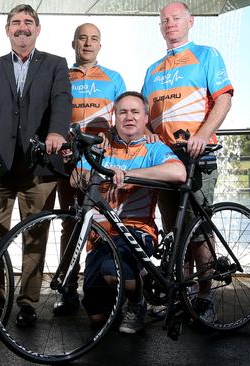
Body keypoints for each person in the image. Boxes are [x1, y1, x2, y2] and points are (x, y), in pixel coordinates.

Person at [0, 4, 72, 327]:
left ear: (37, 29)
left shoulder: (55, 64)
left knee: (36, 237)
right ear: (7, 30)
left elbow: (62, 101)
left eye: (28, 22)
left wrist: (57, 131)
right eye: (16, 23)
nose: (22, 27)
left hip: (40, 168)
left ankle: (27, 303)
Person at [141, 1, 233, 321]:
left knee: (198, 232)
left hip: (197, 155)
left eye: (176, 18)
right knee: (174, 234)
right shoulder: (152, 70)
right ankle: (182, 295)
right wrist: (148, 133)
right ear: (160, 27)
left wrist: (203, 134)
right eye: (165, 20)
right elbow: (145, 119)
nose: (170, 24)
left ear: (190, 22)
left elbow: (223, 98)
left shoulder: (206, 55)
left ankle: (205, 298)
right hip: (167, 162)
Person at [72, 91, 186, 334]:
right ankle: (127, 286)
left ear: (146, 117)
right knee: (96, 317)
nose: (129, 117)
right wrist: (99, 172)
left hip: (135, 230)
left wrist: (131, 176)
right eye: (123, 112)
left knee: (115, 273)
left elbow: (178, 173)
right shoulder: (101, 145)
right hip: (100, 236)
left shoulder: (154, 147)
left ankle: (137, 301)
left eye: (135, 112)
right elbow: (75, 178)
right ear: (115, 117)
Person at [54, 22, 127, 316]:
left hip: (101, 163)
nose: (87, 43)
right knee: (70, 224)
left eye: (93, 39)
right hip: (68, 162)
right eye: (82, 38)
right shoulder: (61, 76)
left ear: (100, 45)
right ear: (73, 44)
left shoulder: (114, 78)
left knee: (103, 225)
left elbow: (124, 119)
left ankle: (101, 290)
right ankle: (67, 290)